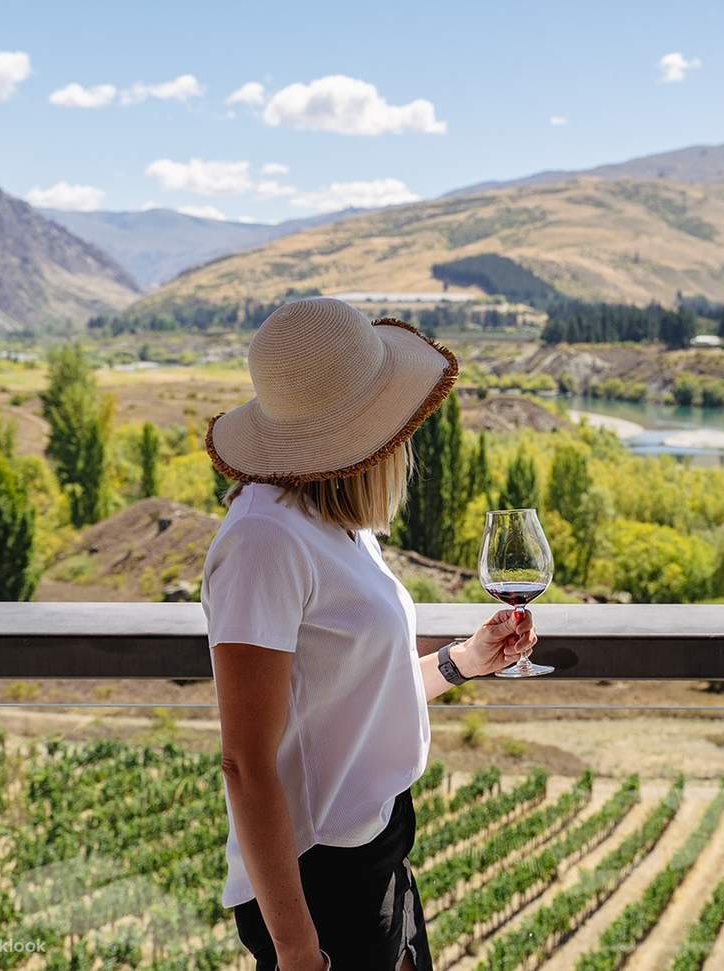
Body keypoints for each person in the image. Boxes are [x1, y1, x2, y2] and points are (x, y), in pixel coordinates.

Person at [200, 297, 538, 971]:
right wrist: (298, 951)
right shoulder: (264, 538)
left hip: (376, 851)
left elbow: (357, 701)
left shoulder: (334, 522)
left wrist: (466, 659)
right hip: (320, 884)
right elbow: (245, 761)